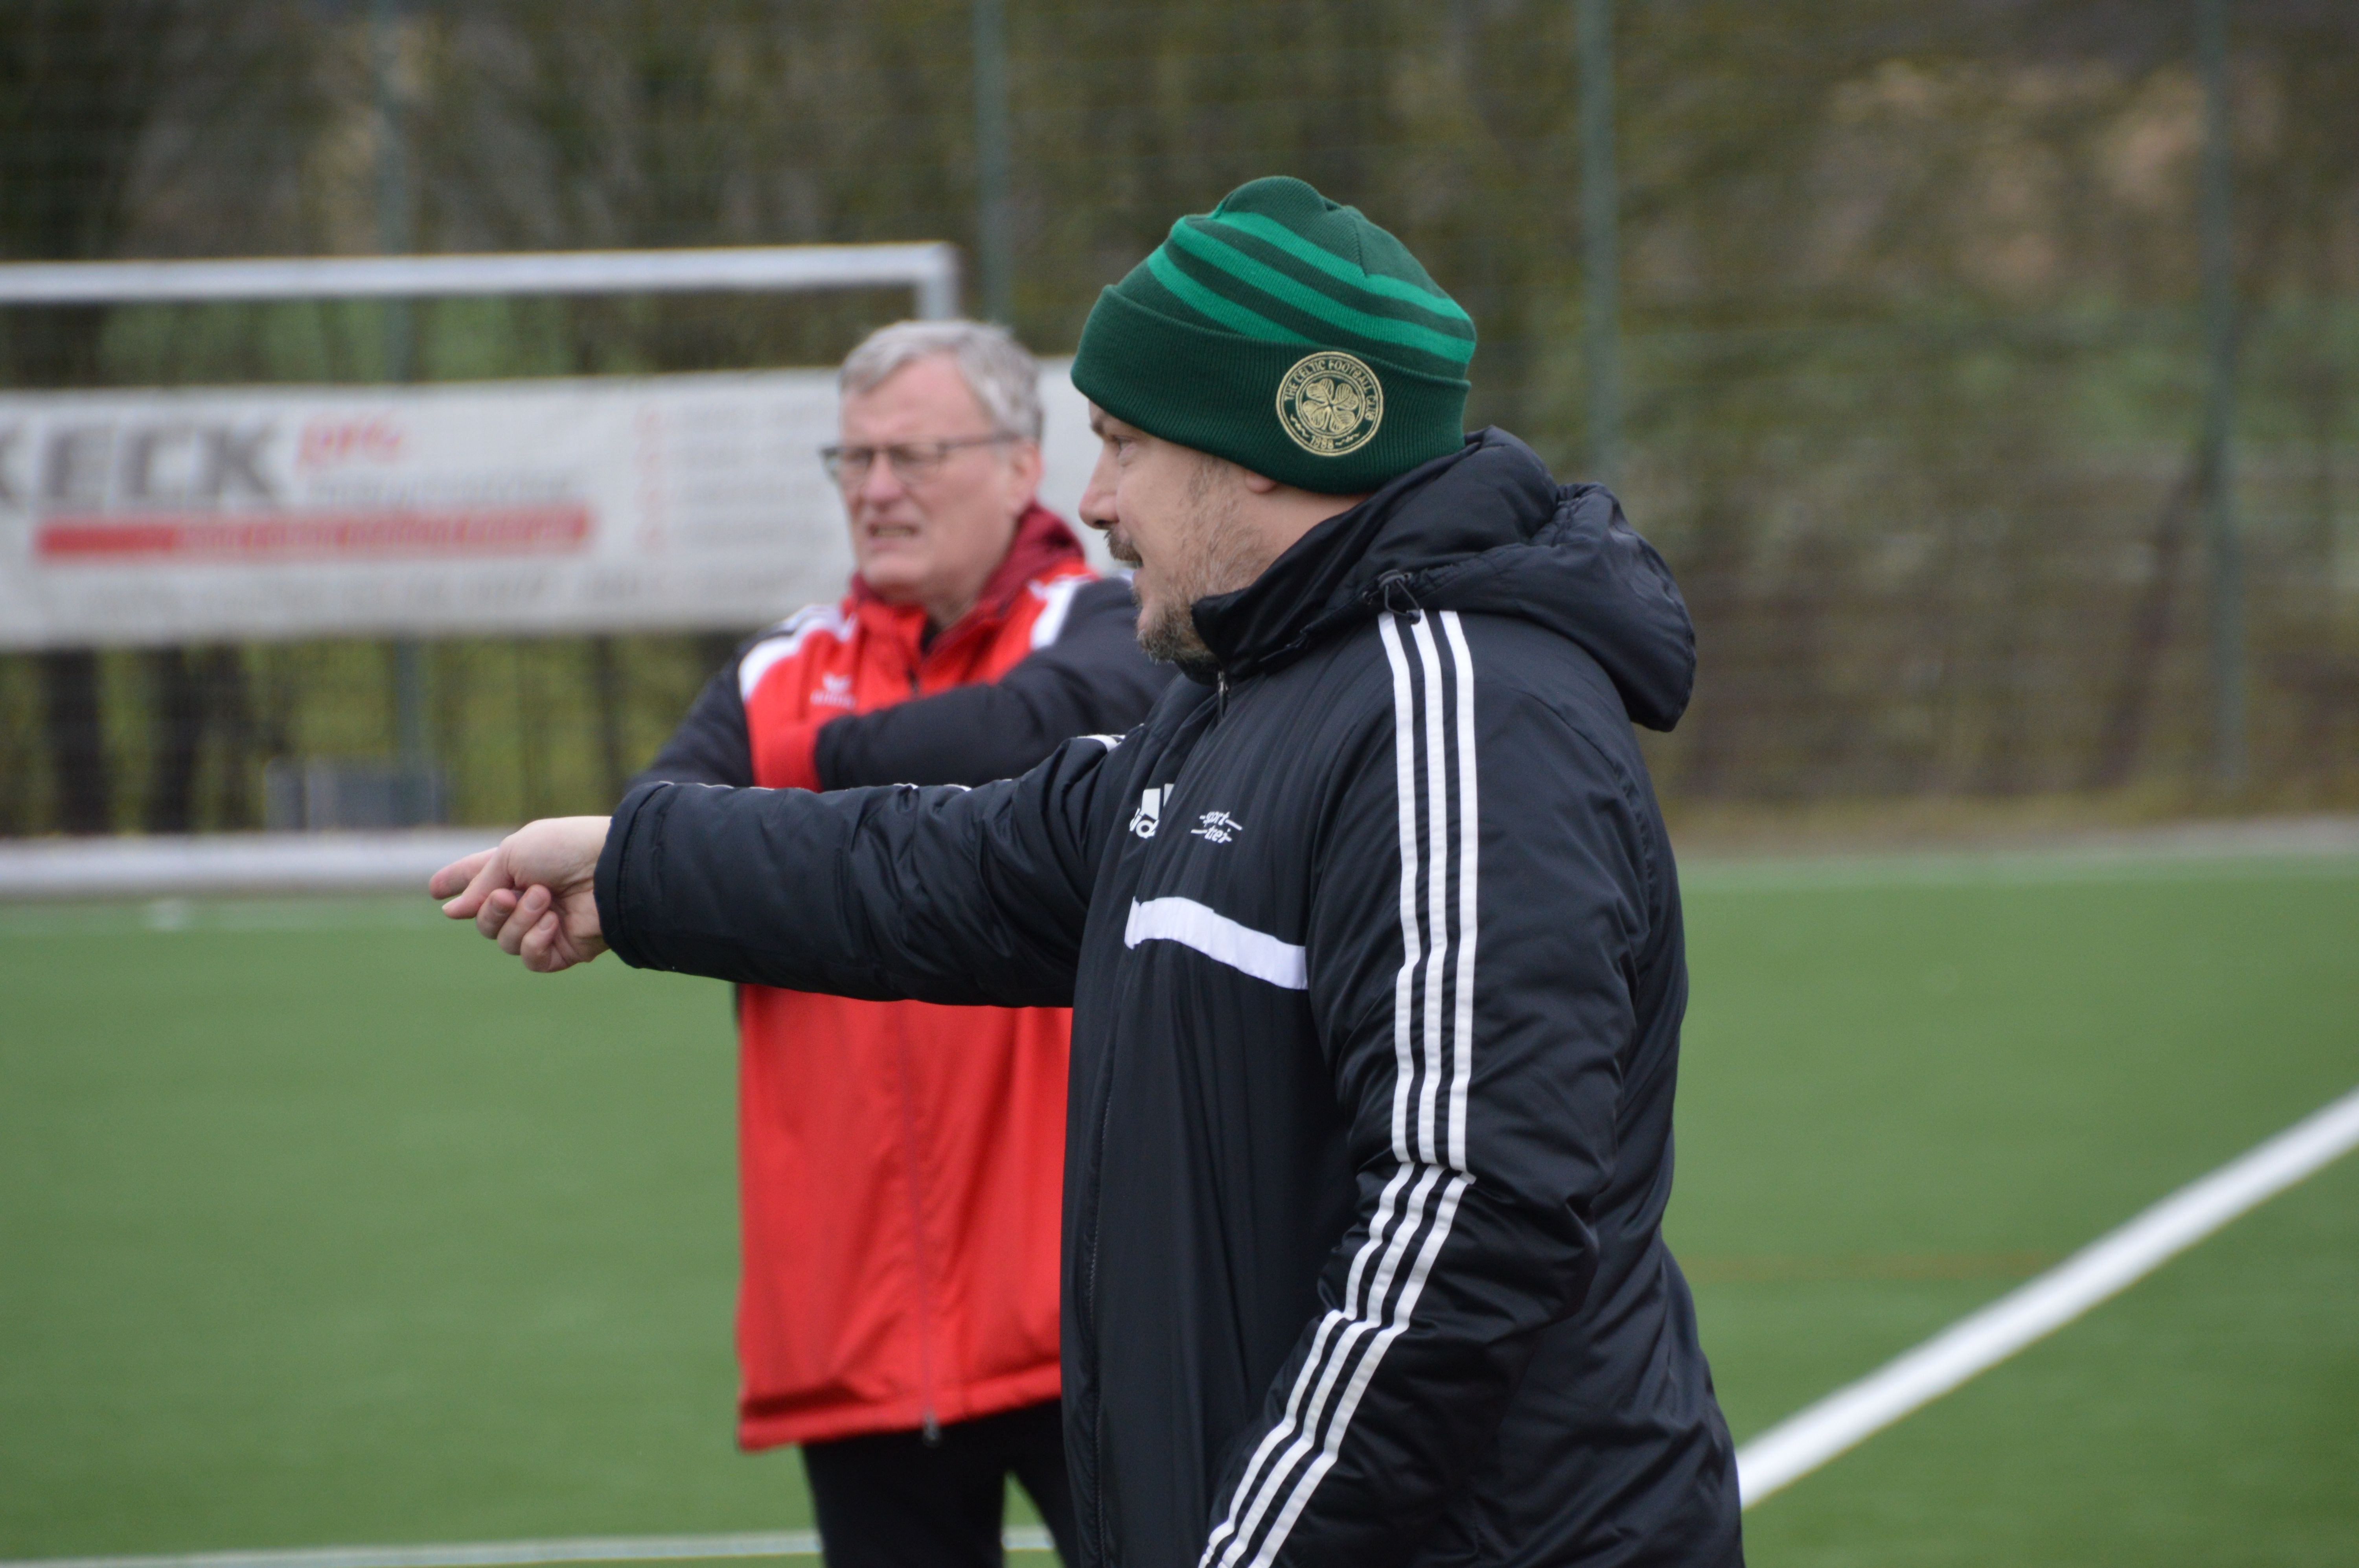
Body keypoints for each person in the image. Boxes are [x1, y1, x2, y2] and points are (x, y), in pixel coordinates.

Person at [437, 178, 1743, 1568]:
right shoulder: (1242, 696)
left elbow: (1466, 1219)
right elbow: (969, 865)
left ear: (1259, 451)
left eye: (1122, 445)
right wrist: (637, 868)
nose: (1097, 499)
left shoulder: (1458, 713)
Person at [633, 318, 1169, 1568]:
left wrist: (816, 780)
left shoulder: (1104, 621)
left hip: (1081, 1306)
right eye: (856, 460)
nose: (878, 491)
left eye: (916, 456)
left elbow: (1071, 717)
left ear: (1021, 464)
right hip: (855, 1324)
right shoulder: (780, 667)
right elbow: (662, 848)